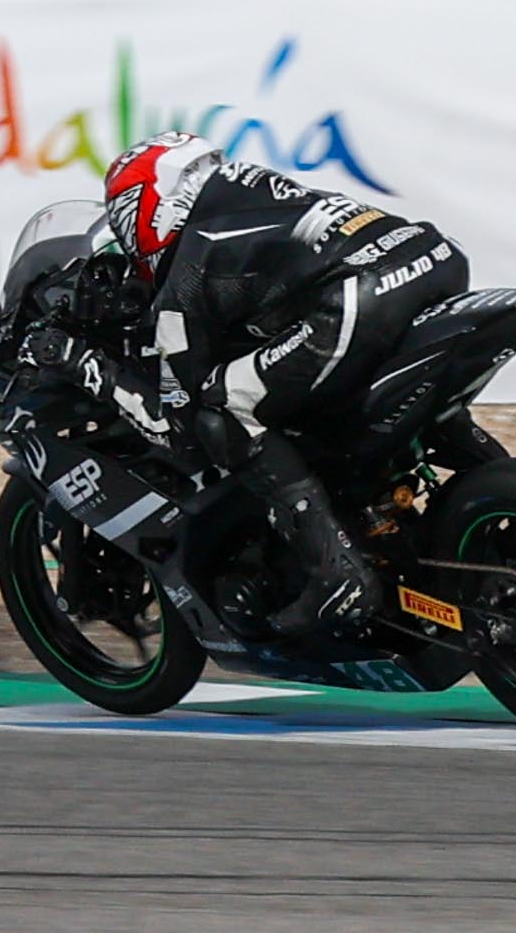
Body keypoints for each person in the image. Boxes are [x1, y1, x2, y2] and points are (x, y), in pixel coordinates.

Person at [32, 132, 489, 642]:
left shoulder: (187, 269)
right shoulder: (243, 192)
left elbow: (175, 429)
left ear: (149, 205)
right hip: (434, 257)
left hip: (359, 298)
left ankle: (335, 573)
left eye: (123, 216)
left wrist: (85, 360)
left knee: (220, 410)